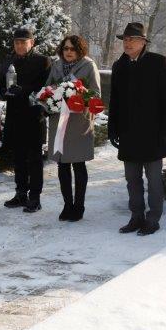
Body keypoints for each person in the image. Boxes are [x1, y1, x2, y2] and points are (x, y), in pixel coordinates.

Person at [107, 22, 166, 236]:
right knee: (132, 178)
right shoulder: (119, 66)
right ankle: (136, 216)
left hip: (153, 134)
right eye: (125, 39)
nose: (127, 43)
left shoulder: (158, 62)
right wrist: (113, 128)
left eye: (132, 39)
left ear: (143, 42)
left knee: (154, 179)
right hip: (129, 133)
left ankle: (153, 218)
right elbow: (115, 100)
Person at [45, 35, 101, 221]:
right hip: (59, 121)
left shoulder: (88, 65)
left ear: (79, 50)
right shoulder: (56, 65)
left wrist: (79, 95)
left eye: (72, 49)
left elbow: (96, 94)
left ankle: (79, 206)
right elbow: (48, 88)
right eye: (66, 48)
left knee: (78, 164)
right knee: (62, 164)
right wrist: (50, 96)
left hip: (79, 122)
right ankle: (67, 205)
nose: (68, 52)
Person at [0, 27, 51, 213]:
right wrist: (2, 92)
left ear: (32, 43)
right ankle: (21, 194)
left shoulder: (43, 61)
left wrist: (25, 90)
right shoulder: (7, 61)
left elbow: (46, 88)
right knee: (18, 158)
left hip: (34, 117)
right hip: (14, 116)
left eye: (23, 42)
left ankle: (35, 198)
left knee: (34, 160)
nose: (19, 45)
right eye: (17, 42)